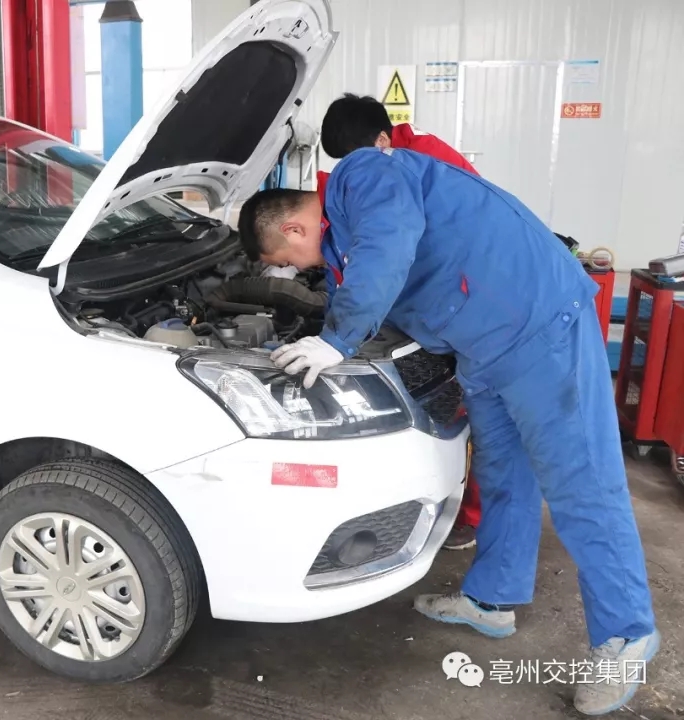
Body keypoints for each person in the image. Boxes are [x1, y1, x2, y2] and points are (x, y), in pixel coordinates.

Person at [236, 147, 658, 716]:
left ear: (293, 228)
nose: (301, 267)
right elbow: (356, 289)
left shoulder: (365, 177)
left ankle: (627, 635)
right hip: (482, 347)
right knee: (502, 475)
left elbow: (387, 248)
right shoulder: (338, 249)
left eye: (290, 258)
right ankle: (493, 599)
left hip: (539, 326)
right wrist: (318, 334)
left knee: (581, 484)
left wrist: (336, 341)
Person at [317, 93, 483, 550]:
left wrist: (339, 336)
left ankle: (469, 515)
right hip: (456, 299)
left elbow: (386, 247)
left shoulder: (399, 164)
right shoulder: (399, 154)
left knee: (482, 416)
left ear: (381, 140)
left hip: (470, 303)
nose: (352, 170)